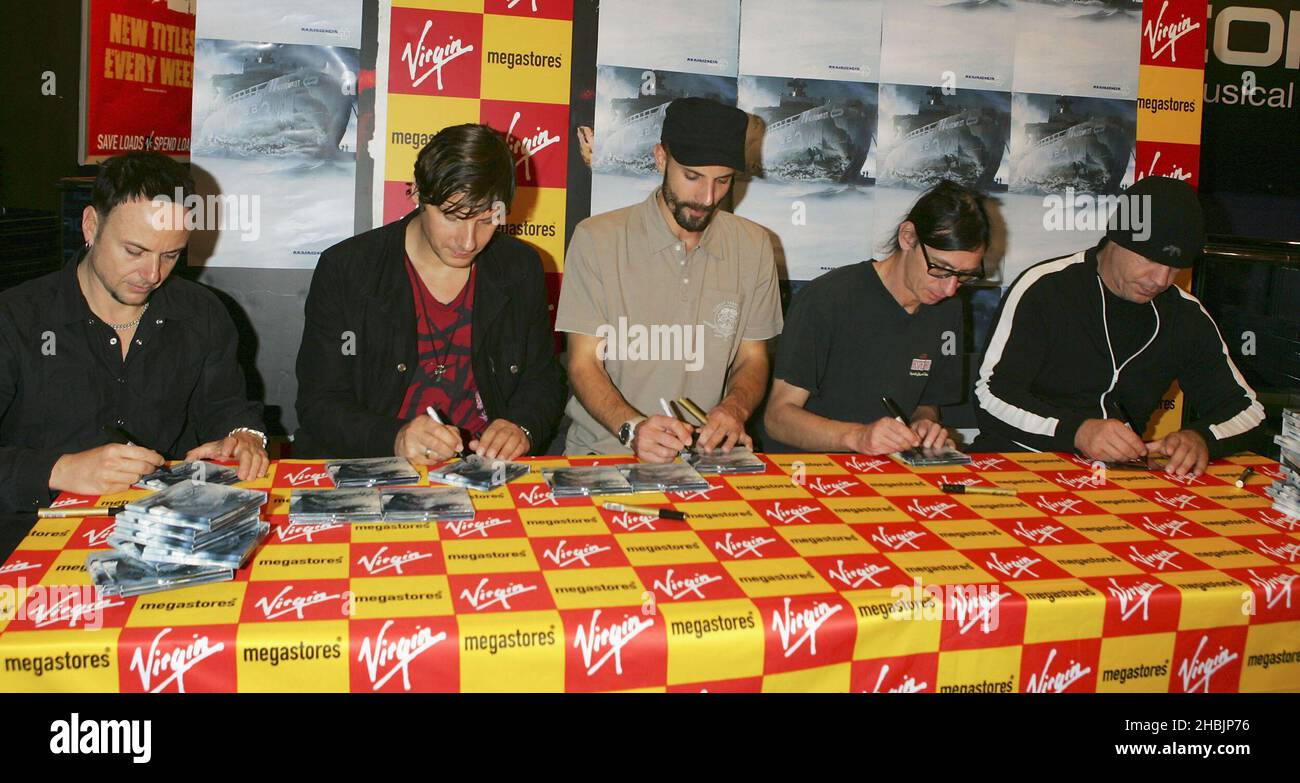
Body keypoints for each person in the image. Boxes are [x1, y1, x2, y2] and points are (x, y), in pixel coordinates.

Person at [0, 151, 269, 513]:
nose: (153, 274)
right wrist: (59, 469)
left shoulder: (201, 313)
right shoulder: (16, 318)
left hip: (161, 525)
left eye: (171, 255)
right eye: (134, 251)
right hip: (31, 533)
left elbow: (226, 407)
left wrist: (242, 437)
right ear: (91, 226)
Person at [295, 123, 565, 463]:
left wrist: (521, 427)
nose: (468, 241)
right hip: (373, 467)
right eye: (452, 216)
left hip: (482, 471)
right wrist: (394, 438)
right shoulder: (348, 270)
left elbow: (542, 378)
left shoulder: (519, 267)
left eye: (486, 220)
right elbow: (318, 403)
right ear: (418, 194)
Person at [973, 176, 1265, 477]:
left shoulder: (1184, 314)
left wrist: (1202, 437)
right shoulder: (1047, 289)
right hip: (1019, 468)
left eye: (1175, 267)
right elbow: (990, 396)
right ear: (1116, 239)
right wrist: (1077, 432)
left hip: (1116, 483)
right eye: (1151, 259)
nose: (1161, 280)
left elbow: (1248, 412)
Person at [556, 97, 783, 461]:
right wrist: (631, 427)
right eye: (692, 177)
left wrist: (735, 410)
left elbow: (752, 358)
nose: (707, 198)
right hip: (605, 456)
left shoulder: (753, 246)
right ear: (661, 158)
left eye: (722, 180)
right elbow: (583, 363)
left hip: (705, 459)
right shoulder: (597, 239)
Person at [762, 180, 989, 454]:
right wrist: (857, 437)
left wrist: (924, 423)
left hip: (887, 471)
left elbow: (926, 402)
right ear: (908, 237)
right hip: (810, 470)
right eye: (940, 269)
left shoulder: (947, 309)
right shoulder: (828, 299)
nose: (950, 288)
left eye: (965, 276)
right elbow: (777, 418)